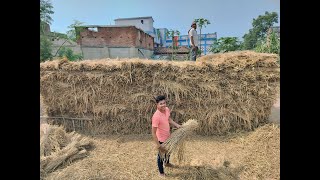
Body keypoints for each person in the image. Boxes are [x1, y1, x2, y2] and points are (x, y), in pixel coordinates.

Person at [151, 95, 182, 177]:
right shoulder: (156, 117)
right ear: (157, 105)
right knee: (161, 156)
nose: (163, 105)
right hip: (161, 139)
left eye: (164, 103)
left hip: (168, 136)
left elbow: (169, 119)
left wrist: (177, 125)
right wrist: (158, 145)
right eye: (161, 104)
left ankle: (167, 163)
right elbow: (153, 132)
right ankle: (161, 173)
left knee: (169, 151)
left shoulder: (167, 109)